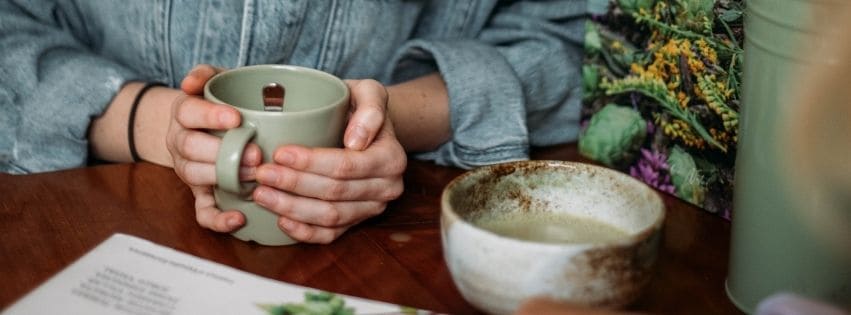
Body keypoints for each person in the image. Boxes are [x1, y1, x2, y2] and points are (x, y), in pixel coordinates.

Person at [0, 1, 585, 243]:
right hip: (89, 207)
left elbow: (568, 37)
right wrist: (155, 123)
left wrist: (390, 121)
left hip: (401, 228)